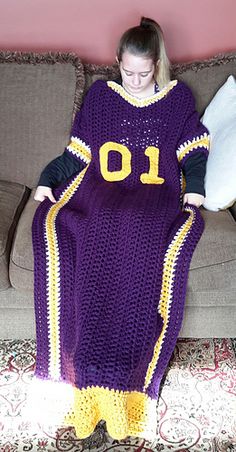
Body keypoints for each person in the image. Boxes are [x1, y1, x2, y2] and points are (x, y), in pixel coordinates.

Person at [31, 17, 209, 442]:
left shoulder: (177, 98)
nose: (133, 79)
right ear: (117, 63)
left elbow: (193, 151)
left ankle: (127, 376)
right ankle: (82, 369)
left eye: (142, 73)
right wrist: (47, 179)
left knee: (139, 231)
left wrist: (196, 191)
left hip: (153, 196)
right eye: (126, 71)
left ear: (158, 65)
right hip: (103, 192)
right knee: (88, 226)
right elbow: (77, 153)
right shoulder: (101, 98)